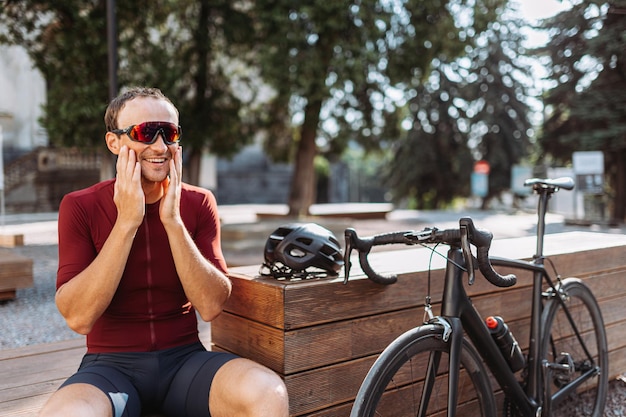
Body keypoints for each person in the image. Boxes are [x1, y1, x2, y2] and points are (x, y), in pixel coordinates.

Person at [40, 87, 289, 417]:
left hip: (185, 362)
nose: (160, 147)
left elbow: (212, 306)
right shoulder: (80, 206)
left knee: (268, 393)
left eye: (168, 133)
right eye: (145, 133)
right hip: (109, 369)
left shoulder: (198, 203)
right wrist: (127, 222)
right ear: (114, 143)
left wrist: (172, 220)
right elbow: (78, 317)